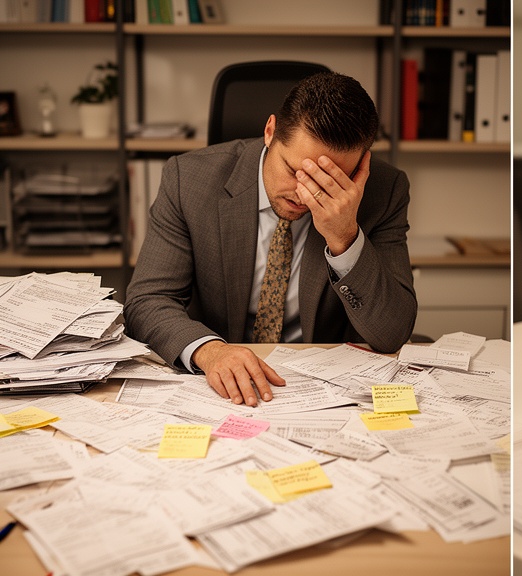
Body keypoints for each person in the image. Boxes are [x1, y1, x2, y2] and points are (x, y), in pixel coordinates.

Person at [125, 72, 417, 408]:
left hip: (320, 392)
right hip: (214, 386)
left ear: (360, 167)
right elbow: (147, 300)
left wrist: (344, 237)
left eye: (328, 182)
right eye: (295, 171)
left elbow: (392, 332)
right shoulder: (188, 179)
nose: (304, 194)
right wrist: (210, 351)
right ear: (270, 132)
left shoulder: (384, 191)